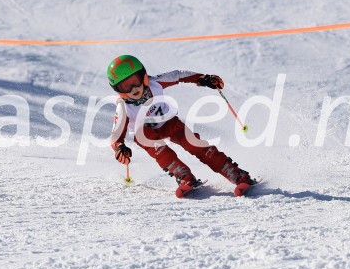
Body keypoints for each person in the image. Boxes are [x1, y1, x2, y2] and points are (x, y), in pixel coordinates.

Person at [107, 55, 258, 198]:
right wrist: (120, 148)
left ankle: (235, 174)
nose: (133, 88)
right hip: (145, 134)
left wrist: (203, 78)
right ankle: (184, 176)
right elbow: (115, 137)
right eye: (126, 86)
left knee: (195, 144)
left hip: (168, 122)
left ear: (143, 76)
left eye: (135, 80)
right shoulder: (124, 108)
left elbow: (178, 75)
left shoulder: (155, 83)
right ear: (119, 90)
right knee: (159, 149)